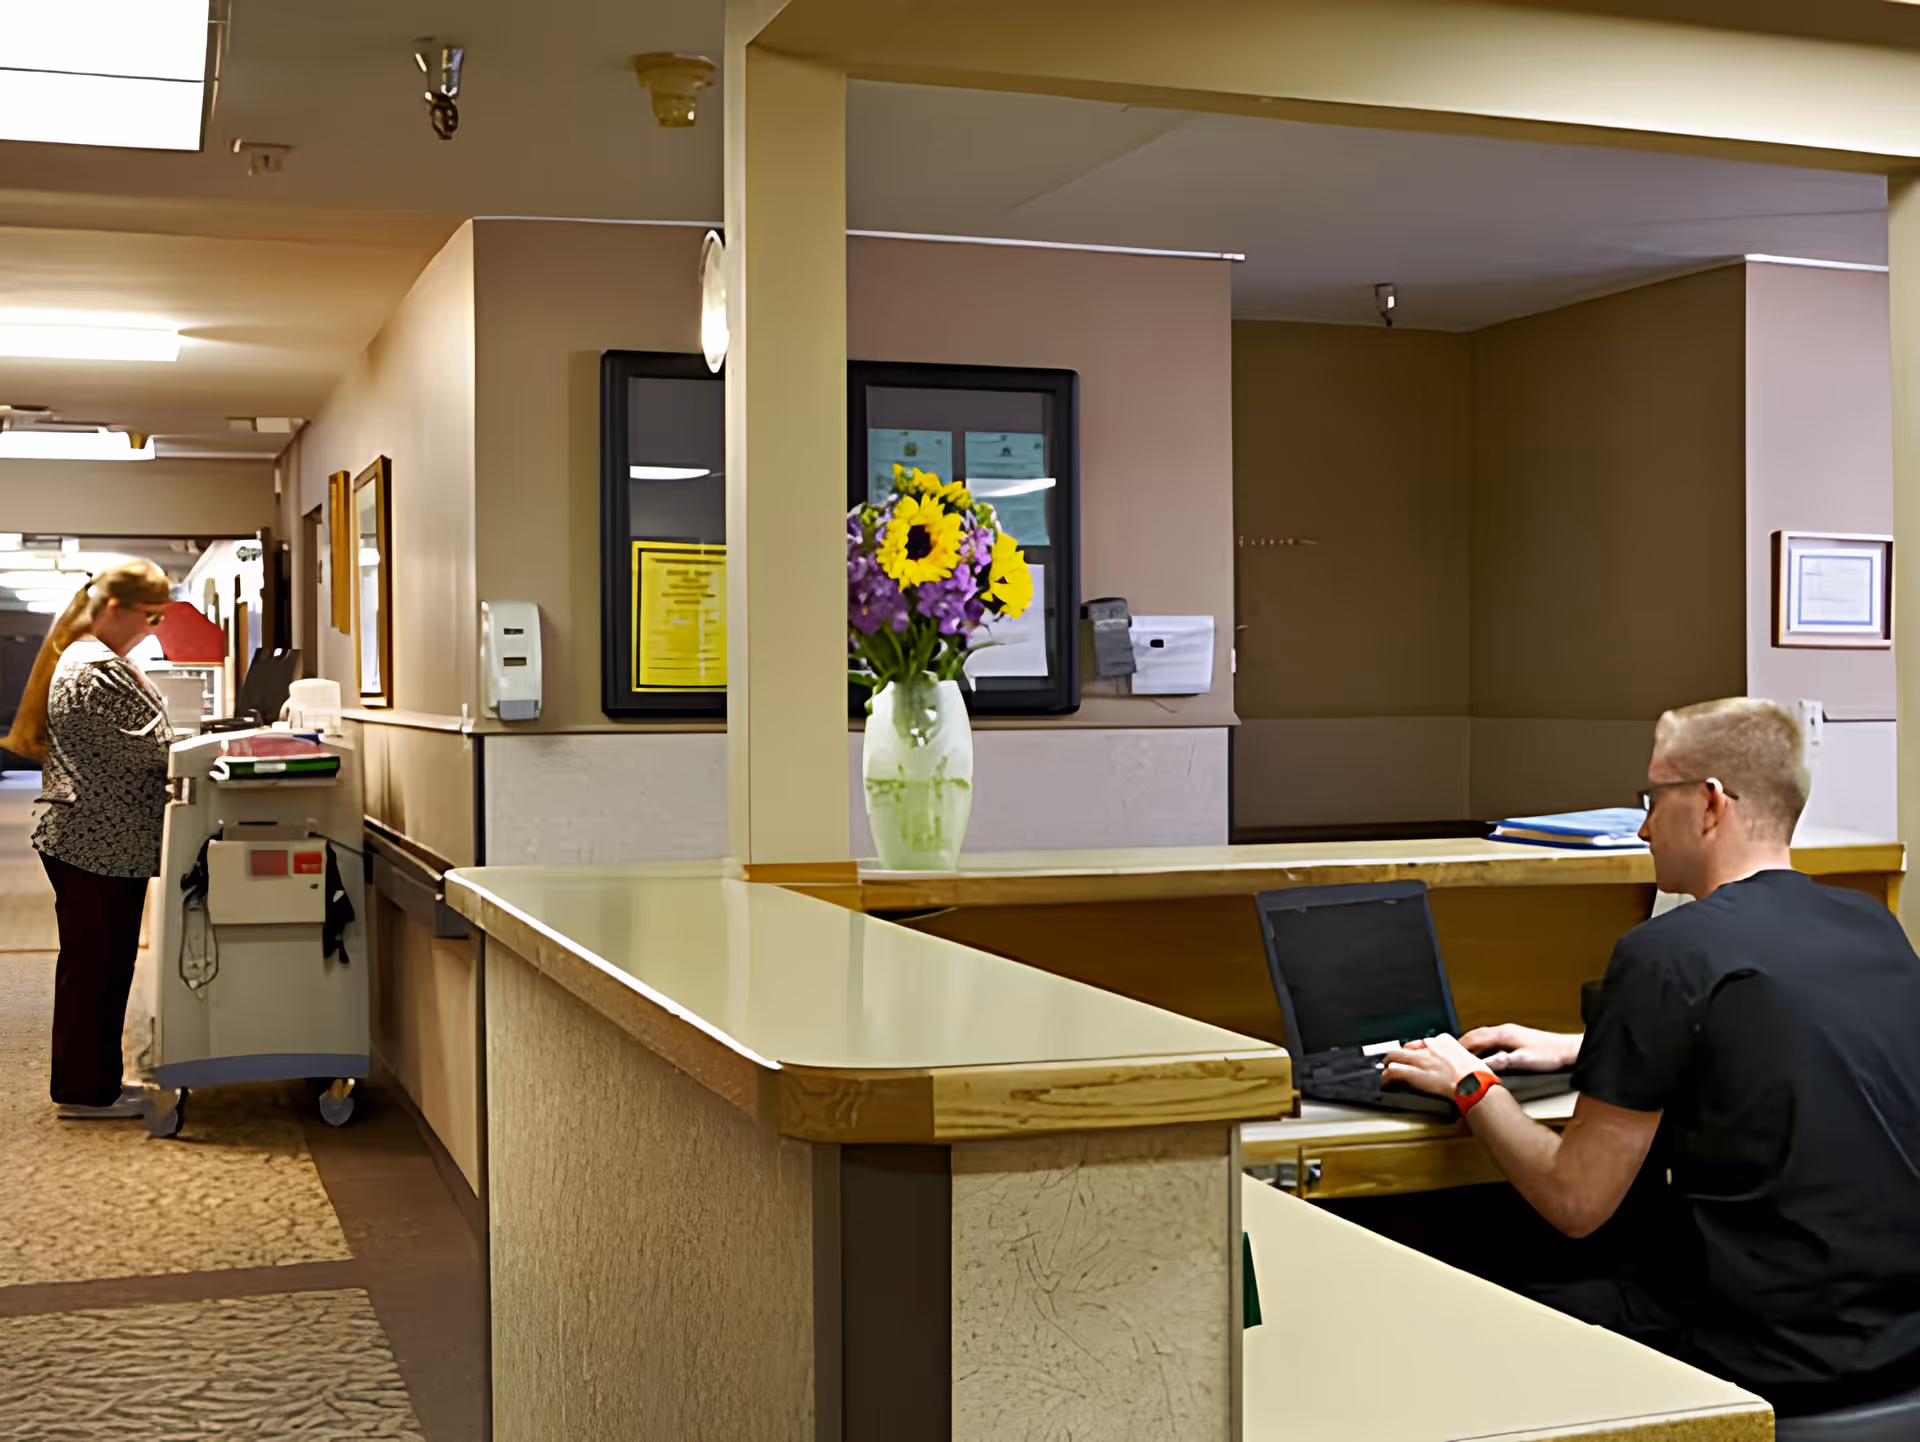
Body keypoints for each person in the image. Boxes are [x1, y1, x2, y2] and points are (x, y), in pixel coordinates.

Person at [1383, 697, 1920, 1417]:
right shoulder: (1870, 925)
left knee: (1461, 1286)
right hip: (1895, 1339)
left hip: (1759, 1348)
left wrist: (1473, 1084)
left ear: (1707, 805)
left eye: (1652, 797)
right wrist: (1586, 1047)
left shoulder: (1666, 954)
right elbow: (1774, 1039)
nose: (1640, 826)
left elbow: (1576, 1202)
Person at [6, 561, 174, 1120]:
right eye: (148, 615)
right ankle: (84, 1090)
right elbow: (153, 750)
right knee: (95, 968)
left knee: (99, 964)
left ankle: (93, 1080)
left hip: (97, 839)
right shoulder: (95, 666)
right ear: (113, 608)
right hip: (96, 842)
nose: (152, 627)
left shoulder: (90, 658)